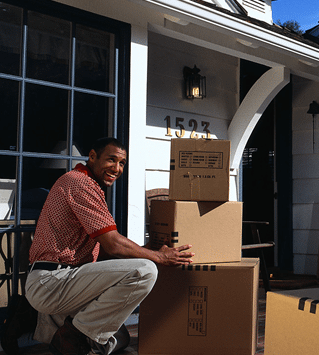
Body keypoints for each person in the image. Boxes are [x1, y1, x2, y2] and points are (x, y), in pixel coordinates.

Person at [24, 137, 194, 355]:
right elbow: (113, 244)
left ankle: (72, 336)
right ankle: (70, 338)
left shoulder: (85, 183)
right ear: (93, 157)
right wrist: (157, 257)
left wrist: (146, 249)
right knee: (145, 270)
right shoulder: (80, 183)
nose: (117, 168)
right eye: (111, 160)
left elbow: (102, 250)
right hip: (52, 282)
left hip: (66, 282)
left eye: (122, 163)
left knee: (119, 338)